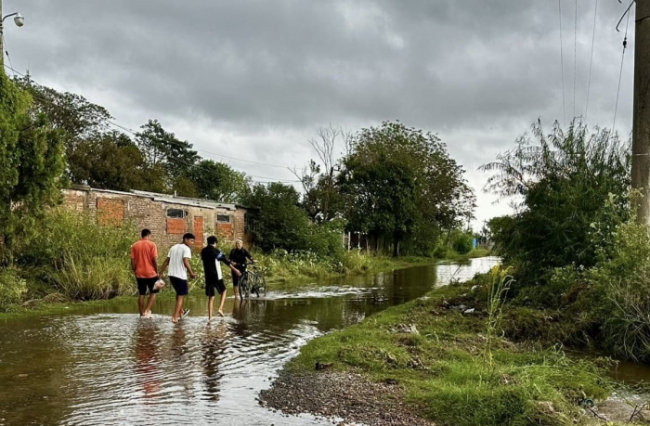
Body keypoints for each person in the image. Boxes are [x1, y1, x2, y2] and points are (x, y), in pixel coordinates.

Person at [200, 236, 241, 323]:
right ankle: (220, 308)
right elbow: (226, 262)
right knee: (224, 290)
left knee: (211, 297)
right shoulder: (216, 251)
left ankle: (210, 318)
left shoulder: (203, 251)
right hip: (216, 275)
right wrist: (236, 270)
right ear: (215, 242)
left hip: (208, 276)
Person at [160, 233, 197, 323]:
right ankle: (175, 317)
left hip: (171, 275)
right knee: (181, 296)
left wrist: (160, 272)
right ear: (185, 239)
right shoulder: (186, 248)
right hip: (180, 276)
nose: (192, 243)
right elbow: (185, 261)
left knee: (178, 294)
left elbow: (166, 260)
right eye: (191, 241)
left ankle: (181, 312)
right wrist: (191, 273)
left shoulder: (174, 247)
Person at [131, 229, 160, 318]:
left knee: (141, 293)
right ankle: (147, 310)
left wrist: (135, 270)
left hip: (139, 273)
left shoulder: (135, 245)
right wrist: (157, 271)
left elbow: (132, 260)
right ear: (148, 235)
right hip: (151, 273)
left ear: (141, 235)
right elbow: (154, 259)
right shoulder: (152, 244)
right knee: (154, 291)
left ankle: (141, 314)